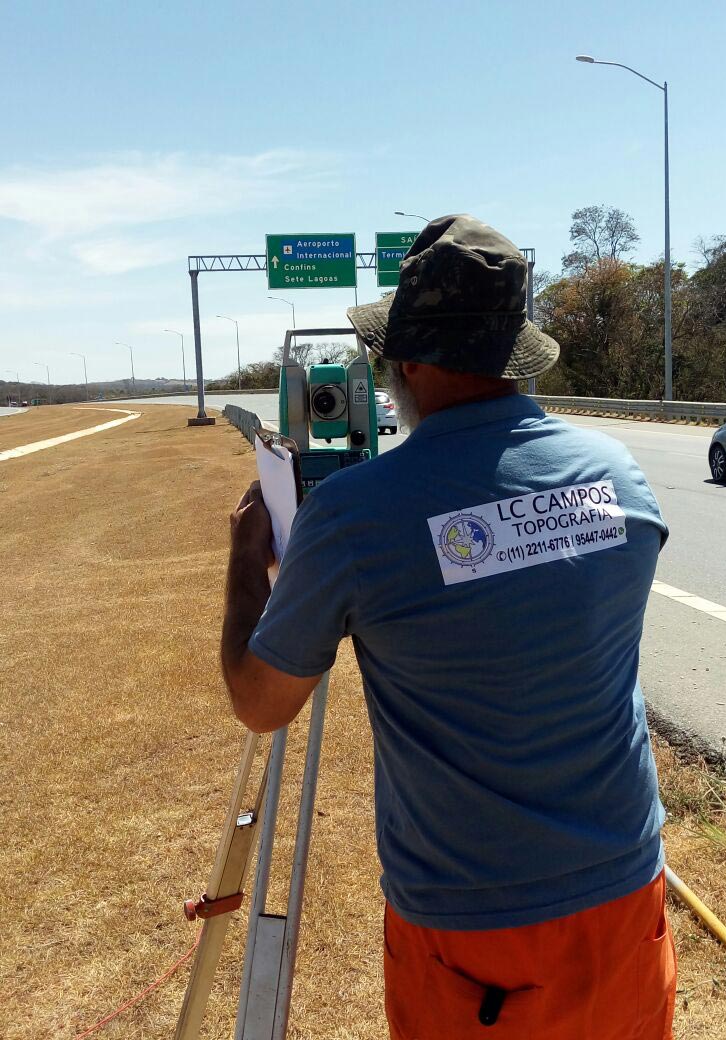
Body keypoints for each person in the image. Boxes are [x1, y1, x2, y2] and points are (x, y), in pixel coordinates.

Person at [222, 214, 677, 1039]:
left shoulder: (354, 517)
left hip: (473, 941)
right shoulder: (619, 477)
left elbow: (261, 702)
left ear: (408, 360)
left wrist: (245, 560)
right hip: (626, 900)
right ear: (513, 353)